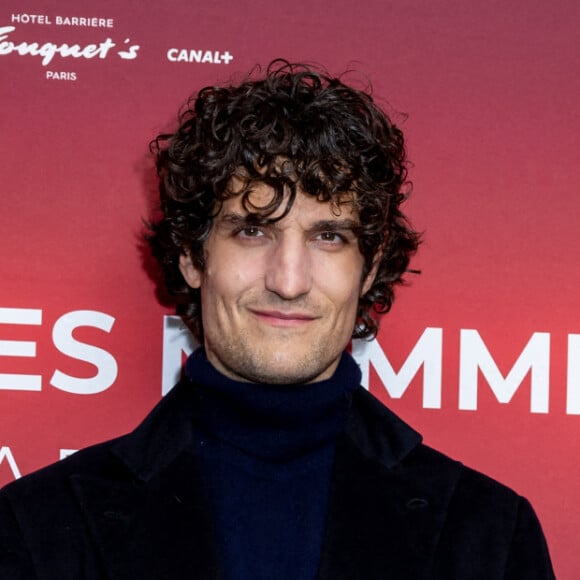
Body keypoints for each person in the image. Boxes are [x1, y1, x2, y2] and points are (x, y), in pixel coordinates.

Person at [0, 60, 554, 579]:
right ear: (194, 257)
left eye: (329, 237)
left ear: (369, 270)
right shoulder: (35, 529)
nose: (288, 281)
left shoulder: (489, 535)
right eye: (252, 230)